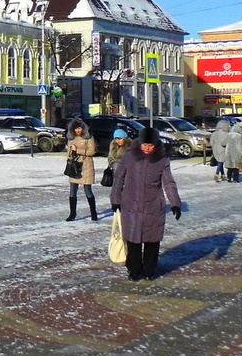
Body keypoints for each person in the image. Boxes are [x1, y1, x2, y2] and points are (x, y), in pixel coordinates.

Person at [110, 127, 183, 281]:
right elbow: (119, 179)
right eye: (145, 145)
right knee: (133, 241)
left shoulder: (162, 159)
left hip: (153, 206)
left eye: (151, 145)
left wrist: (175, 203)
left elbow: (168, 182)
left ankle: (150, 270)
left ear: (156, 144)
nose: (147, 148)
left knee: (152, 241)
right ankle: (134, 270)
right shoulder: (129, 156)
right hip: (131, 205)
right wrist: (115, 199)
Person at [64, 118, 98, 221]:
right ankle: (72, 214)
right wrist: (71, 152)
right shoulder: (71, 138)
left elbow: (92, 151)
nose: (77, 131)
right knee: (72, 191)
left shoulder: (88, 137)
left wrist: (77, 150)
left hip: (86, 166)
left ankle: (93, 213)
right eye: (75, 129)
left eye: (79, 128)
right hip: (74, 167)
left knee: (88, 190)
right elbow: (68, 154)